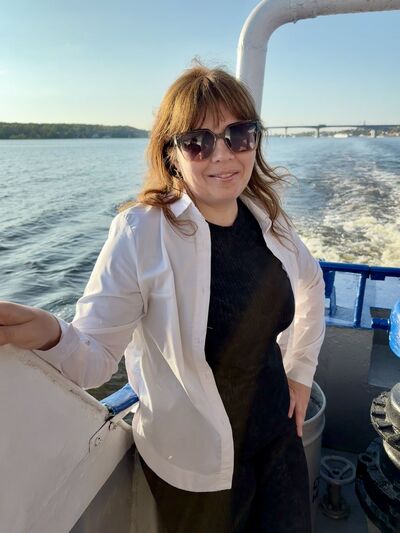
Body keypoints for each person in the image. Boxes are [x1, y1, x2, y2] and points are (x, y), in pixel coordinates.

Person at [0, 65, 326, 532]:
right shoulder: (141, 234)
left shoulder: (269, 220)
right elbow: (94, 360)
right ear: (172, 153)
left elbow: (311, 285)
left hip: (277, 440)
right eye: (198, 141)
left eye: (239, 135)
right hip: (196, 470)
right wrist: (51, 333)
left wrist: (299, 373)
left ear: (255, 140)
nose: (223, 154)